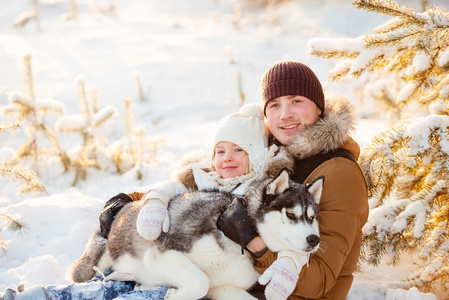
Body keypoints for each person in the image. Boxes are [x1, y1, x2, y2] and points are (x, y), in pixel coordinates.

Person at [1, 103, 296, 300]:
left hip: (194, 274)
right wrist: (139, 200)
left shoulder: (259, 194)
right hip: (162, 255)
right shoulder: (201, 179)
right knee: (108, 286)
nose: (227, 158)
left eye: (238, 151)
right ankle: (42, 294)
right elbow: (166, 191)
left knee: (138, 293)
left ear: (255, 156)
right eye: (220, 151)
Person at [217, 61, 368, 299]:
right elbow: (212, 177)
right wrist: (145, 198)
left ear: (318, 107)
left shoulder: (338, 171)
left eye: (296, 100)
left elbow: (320, 278)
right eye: (275, 105)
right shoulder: (273, 153)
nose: (285, 114)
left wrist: (254, 242)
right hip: (239, 284)